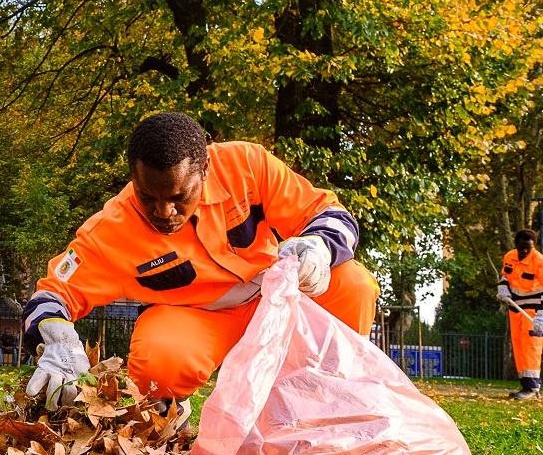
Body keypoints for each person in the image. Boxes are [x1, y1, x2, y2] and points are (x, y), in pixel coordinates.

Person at [22, 112, 379, 429]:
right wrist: (58, 341)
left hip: (276, 299)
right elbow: (51, 295)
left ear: (205, 170)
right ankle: (168, 413)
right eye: (149, 197)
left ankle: (331, 397)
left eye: (179, 197)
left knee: (354, 284)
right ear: (133, 176)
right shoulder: (110, 231)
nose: (164, 211)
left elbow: (330, 213)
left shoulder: (247, 165)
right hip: (197, 320)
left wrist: (319, 245)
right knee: (157, 361)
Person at [497, 228, 543, 399]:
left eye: (528, 248)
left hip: (535, 308)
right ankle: (526, 385)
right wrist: (503, 287)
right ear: (516, 244)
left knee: (531, 346)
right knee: (519, 346)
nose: (524, 251)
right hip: (515, 306)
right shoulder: (509, 256)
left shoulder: (539, 261)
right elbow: (505, 276)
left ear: (534, 246)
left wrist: (541, 316)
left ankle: (532, 388)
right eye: (521, 247)